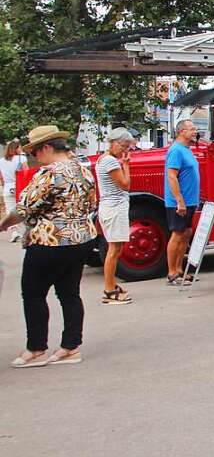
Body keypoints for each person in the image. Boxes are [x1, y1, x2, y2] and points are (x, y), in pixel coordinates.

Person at [2, 125, 97, 368]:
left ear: (45, 148)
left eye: (35, 152)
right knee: (70, 293)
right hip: (81, 238)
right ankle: (70, 346)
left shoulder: (49, 173)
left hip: (49, 241)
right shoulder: (83, 171)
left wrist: (3, 225)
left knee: (33, 294)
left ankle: (36, 348)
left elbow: (23, 209)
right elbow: (92, 204)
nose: (34, 157)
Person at [96, 127, 136, 304]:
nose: (125, 150)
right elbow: (125, 184)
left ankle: (110, 285)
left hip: (110, 206)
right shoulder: (111, 162)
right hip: (115, 207)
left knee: (115, 249)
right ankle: (109, 289)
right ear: (113, 143)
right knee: (114, 250)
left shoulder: (102, 160)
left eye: (127, 147)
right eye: (123, 146)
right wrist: (126, 165)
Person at [164, 119, 200, 284]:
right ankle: (172, 273)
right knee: (177, 234)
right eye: (192, 129)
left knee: (185, 234)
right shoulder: (176, 151)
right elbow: (172, 176)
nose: (195, 131)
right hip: (179, 202)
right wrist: (180, 200)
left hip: (190, 200)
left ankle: (179, 269)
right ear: (181, 132)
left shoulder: (187, 150)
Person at [0, 139, 27, 241]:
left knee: (10, 210)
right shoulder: (22, 158)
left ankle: (14, 232)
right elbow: (26, 172)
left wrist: (4, 186)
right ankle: (27, 231)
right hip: (20, 186)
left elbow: (1, 177)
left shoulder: (1, 161)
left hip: (8, 186)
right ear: (16, 149)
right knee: (24, 208)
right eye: (20, 147)